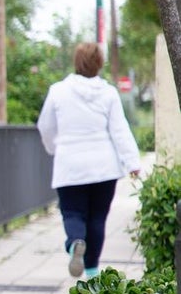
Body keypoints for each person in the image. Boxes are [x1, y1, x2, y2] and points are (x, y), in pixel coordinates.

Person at [37, 42, 140, 279]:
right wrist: (132, 163)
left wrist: (54, 148)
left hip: (70, 165)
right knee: (97, 218)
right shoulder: (108, 93)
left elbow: (46, 127)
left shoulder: (58, 91)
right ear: (99, 64)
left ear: (76, 62)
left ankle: (75, 244)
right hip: (104, 168)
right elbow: (119, 130)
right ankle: (92, 272)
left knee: (72, 212)